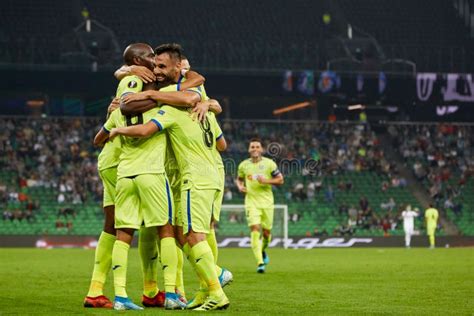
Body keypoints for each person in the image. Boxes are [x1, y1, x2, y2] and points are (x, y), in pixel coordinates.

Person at [108, 43, 230, 311]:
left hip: (189, 175)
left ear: (179, 69)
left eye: (163, 66)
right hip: (214, 171)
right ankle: (203, 289)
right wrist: (207, 104)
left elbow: (143, 126)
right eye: (155, 64)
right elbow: (222, 144)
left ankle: (215, 287)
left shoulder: (174, 106)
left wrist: (119, 129)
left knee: (189, 235)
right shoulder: (201, 99)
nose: (157, 69)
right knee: (196, 232)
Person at [93, 43, 202, 310]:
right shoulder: (152, 88)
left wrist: (129, 84)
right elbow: (190, 92)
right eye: (151, 57)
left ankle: (119, 295)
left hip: (124, 170)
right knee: (166, 229)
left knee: (123, 231)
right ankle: (172, 293)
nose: (155, 61)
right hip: (150, 170)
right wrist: (158, 95)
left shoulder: (133, 84)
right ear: (139, 61)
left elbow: (105, 130)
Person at [236, 138, 284, 273]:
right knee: (255, 230)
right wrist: (240, 186)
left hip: (267, 203)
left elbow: (280, 179)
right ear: (249, 150)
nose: (255, 149)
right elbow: (239, 179)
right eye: (252, 147)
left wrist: (266, 180)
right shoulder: (243, 165)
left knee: (267, 233)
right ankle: (260, 263)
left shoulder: (269, 164)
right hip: (251, 202)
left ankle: (262, 250)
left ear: (261, 149)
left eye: (257, 146)